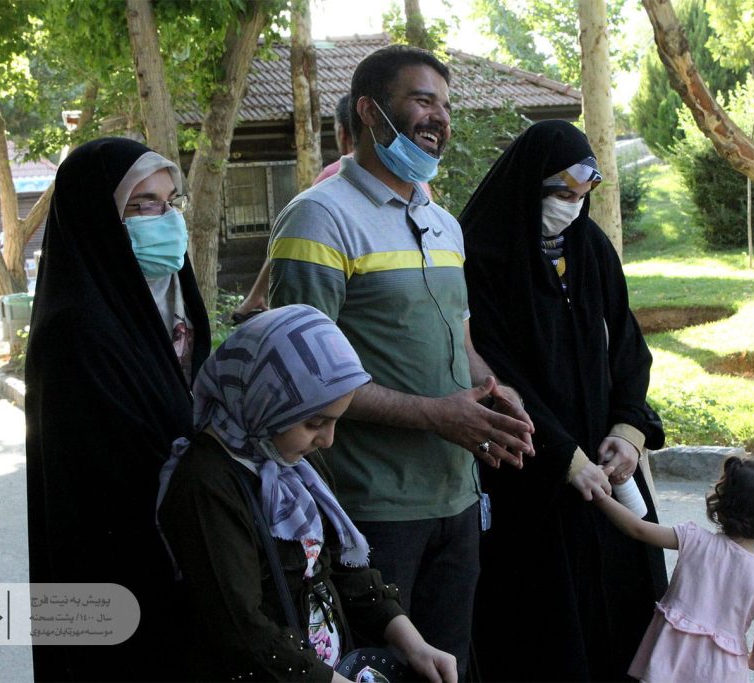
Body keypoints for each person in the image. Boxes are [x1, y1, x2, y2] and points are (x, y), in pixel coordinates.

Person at [267, 45, 535, 678]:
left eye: (445, 105)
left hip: (457, 500)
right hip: (369, 510)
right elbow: (303, 381)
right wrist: (436, 415)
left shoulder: (445, 224)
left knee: (448, 666)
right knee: (378, 670)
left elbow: (462, 345)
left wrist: (494, 392)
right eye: (421, 100)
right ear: (369, 111)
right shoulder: (318, 218)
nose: (439, 117)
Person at [460, 119, 668, 681]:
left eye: (582, 197)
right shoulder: (484, 255)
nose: (572, 209)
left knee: (628, 622)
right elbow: (494, 371)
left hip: (605, 463)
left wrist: (629, 429)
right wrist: (561, 457)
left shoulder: (589, 247)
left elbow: (627, 344)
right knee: (548, 633)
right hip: (529, 469)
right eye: (561, 195)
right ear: (530, 183)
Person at [157, 304, 458, 682]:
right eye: (315, 423)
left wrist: (414, 644)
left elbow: (340, 568)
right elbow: (240, 630)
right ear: (264, 400)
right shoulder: (207, 487)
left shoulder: (291, 460)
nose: (328, 440)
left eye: (335, 422)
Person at [25, 137, 211, 682]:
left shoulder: (173, 295)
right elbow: (101, 478)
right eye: (141, 205)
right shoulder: (75, 329)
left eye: (170, 202)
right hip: (115, 567)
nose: (165, 219)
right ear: (96, 217)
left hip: (185, 553)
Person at [231, 95, 433, 323]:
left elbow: (293, 240)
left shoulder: (335, 176)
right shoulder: (415, 179)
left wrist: (254, 297)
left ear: (341, 132)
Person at [595, 456, 754, 682]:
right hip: (722, 673)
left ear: (720, 504)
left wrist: (599, 494)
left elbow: (637, 528)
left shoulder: (694, 539)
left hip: (669, 661)